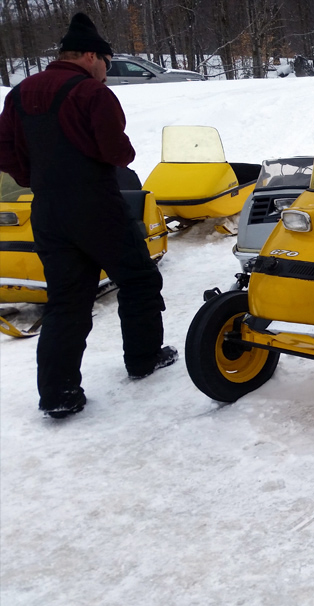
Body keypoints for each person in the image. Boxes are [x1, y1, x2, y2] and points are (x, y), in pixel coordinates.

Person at [0, 13, 176, 419]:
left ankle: (59, 394)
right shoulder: (91, 93)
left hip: (46, 209)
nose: (106, 73)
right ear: (91, 56)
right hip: (96, 204)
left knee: (66, 299)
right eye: (107, 64)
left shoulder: (19, 93)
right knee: (138, 278)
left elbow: (5, 151)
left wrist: (34, 178)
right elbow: (117, 152)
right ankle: (144, 357)